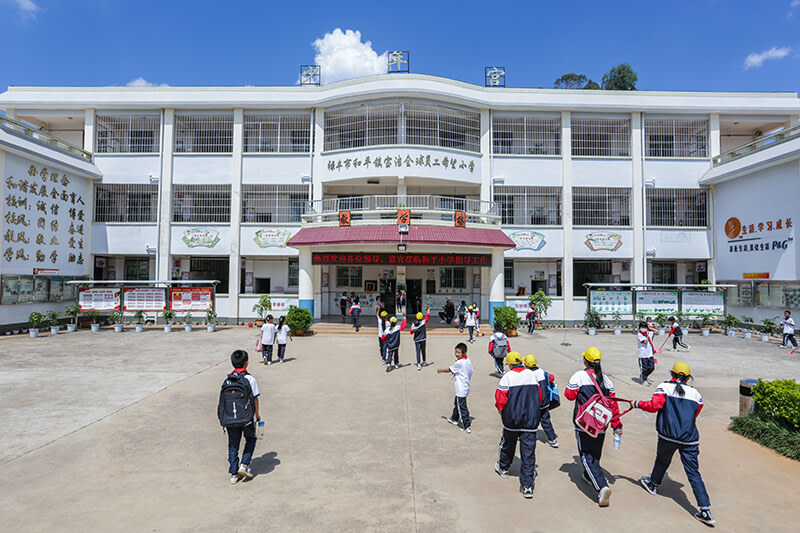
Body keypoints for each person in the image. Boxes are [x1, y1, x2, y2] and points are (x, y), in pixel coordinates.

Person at [636, 362, 715, 527]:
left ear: (672, 374)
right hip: (689, 438)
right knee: (693, 473)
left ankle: (653, 484)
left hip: (668, 436)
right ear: (688, 377)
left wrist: (637, 404)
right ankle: (705, 510)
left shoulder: (664, 387)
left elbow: (654, 406)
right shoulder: (696, 394)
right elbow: (695, 413)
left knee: (662, 460)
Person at [564, 347, 623, 507]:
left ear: (585, 361)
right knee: (595, 454)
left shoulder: (579, 376)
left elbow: (569, 395)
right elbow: (613, 405)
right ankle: (589, 475)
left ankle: (601, 487)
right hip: (602, 424)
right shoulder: (606, 380)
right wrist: (616, 425)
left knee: (585, 455)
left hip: (584, 423)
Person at [494, 352, 549, 499]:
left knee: (507, 444)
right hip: (530, 420)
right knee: (528, 452)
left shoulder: (508, 377)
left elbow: (500, 398)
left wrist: (501, 410)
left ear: (510, 364)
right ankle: (527, 486)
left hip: (512, 419)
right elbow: (540, 396)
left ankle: (504, 467)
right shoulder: (532, 375)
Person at [225, 349, 260, 484]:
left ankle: (234, 474)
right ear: (246, 363)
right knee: (250, 439)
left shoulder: (227, 379)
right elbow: (255, 399)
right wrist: (257, 415)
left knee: (233, 445)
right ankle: (244, 465)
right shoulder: (250, 379)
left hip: (230, 417)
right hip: (247, 418)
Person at [438, 342, 474, 433]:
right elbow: (470, 371)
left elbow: (450, 369)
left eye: (459, 353)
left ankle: (466, 425)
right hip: (465, 386)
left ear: (464, 353)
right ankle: (454, 418)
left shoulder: (460, 363)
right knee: (457, 402)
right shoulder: (468, 361)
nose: (457, 354)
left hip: (461, 388)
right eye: (456, 352)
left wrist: (441, 370)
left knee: (462, 407)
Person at [524, 354, 558, 448]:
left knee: (528, 420)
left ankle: (526, 436)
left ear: (526, 364)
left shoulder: (527, 374)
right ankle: (552, 440)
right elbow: (551, 378)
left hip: (533, 403)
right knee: (546, 421)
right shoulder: (542, 371)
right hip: (545, 402)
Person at [410, 306, 431, 370]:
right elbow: (427, 316)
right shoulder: (423, 322)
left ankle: (418, 364)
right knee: (423, 350)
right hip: (423, 339)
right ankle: (424, 361)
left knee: (418, 351)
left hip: (417, 340)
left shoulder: (413, 325)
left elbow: (411, 332)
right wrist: (428, 309)